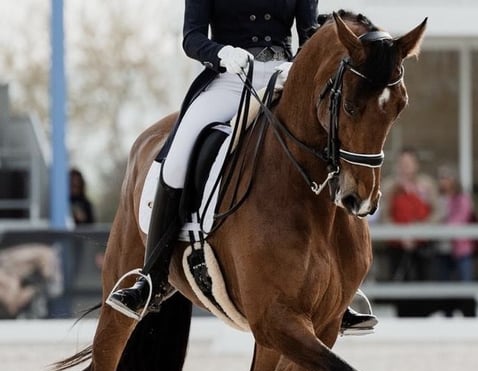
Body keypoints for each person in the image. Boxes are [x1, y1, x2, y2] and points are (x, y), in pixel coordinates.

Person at [107, 1, 377, 333]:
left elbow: (309, 32)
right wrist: (220, 53)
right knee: (175, 162)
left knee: (330, 147)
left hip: (287, 78)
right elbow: (192, 38)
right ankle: (153, 277)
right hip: (229, 79)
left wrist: (301, 63)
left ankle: (339, 289)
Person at [381, 147, 443, 281]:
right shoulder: (389, 186)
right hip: (397, 244)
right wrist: (399, 234)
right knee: (398, 281)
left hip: (423, 243)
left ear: (416, 164)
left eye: (409, 163)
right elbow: (384, 214)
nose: (405, 167)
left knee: (424, 281)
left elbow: (438, 211)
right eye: (402, 163)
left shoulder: (427, 184)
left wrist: (422, 228)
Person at [435, 165, 476, 281]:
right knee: (443, 282)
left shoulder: (462, 199)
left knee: (465, 281)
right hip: (442, 248)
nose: (443, 181)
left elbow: (460, 219)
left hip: (461, 248)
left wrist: (442, 225)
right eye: (441, 178)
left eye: (446, 178)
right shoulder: (437, 199)